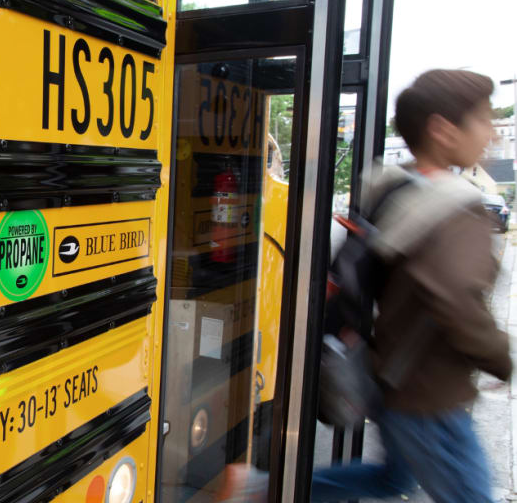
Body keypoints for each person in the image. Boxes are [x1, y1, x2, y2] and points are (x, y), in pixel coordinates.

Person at [218, 69, 513, 503]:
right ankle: (257, 491)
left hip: (389, 380)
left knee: (392, 480)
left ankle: (258, 490)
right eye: (483, 120)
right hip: (432, 396)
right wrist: (501, 357)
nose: (490, 134)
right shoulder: (455, 209)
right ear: (443, 130)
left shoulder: (392, 191)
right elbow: (455, 300)